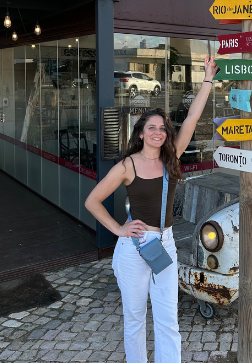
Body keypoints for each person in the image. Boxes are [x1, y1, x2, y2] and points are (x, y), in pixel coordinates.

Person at [85, 55, 218, 363]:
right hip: (134, 248)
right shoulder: (127, 165)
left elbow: (193, 118)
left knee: (168, 319)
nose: (158, 132)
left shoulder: (171, 158)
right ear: (141, 133)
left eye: (163, 128)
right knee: (134, 319)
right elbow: (92, 200)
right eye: (151, 128)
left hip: (165, 245)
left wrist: (208, 79)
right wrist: (119, 229)